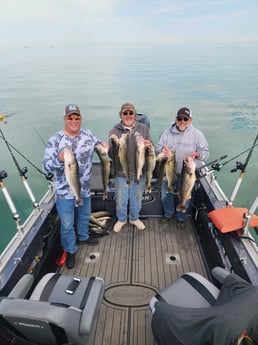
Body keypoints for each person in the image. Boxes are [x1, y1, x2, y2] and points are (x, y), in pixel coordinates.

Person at [43, 104, 108, 269]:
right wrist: (59, 160)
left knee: (84, 216)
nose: (74, 120)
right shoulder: (55, 140)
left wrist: (103, 145)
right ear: (64, 119)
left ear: (81, 119)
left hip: (84, 189)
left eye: (76, 117)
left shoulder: (88, 134)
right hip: (65, 192)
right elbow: (46, 166)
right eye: (70, 117)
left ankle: (83, 236)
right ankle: (70, 250)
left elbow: (97, 144)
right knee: (66, 224)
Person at [156, 107, 209, 229]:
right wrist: (162, 150)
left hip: (186, 173)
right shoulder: (166, 133)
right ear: (176, 119)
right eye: (179, 118)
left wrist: (198, 154)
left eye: (185, 119)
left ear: (190, 120)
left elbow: (205, 153)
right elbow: (158, 147)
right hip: (168, 172)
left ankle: (181, 217)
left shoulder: (197, 135)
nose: (182, 121)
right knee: (165, 195)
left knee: (185, 195)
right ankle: (169, 214)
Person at [109, 103, 153, 233]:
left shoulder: (144, 129)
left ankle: (134, 218)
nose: (128, 116)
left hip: (139, 171)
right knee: (121, 198)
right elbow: (112, 155)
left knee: (136, 198)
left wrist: (148, 145)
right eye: (125, 113)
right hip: (121, 172)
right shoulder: (115, 130)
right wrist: (112, 143)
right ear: (120, 115)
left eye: (131, 113)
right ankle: (121, 219)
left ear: (135, 114)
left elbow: (151, 147)